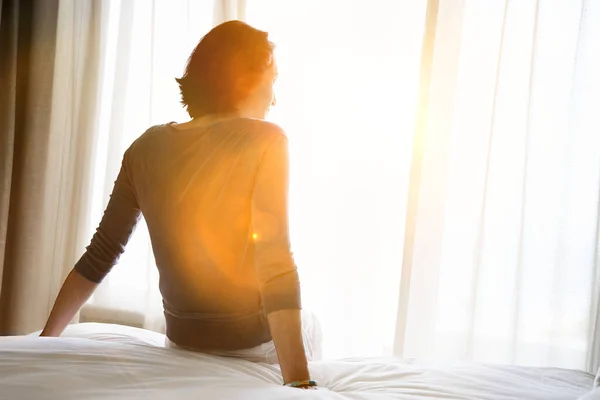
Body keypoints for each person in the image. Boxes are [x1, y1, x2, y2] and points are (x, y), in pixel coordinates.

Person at [40, 20, 319, 389]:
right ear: (245, 77)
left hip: (182, 339)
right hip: (250, 346)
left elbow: (100, 255)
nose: (274, 97)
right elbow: (275, 261)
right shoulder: (267, 139)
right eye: (273, 79)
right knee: (312, 323)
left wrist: (42, 343)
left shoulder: (144, 147)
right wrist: (300, 386)